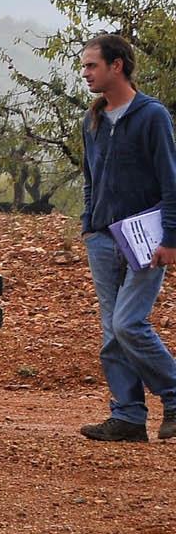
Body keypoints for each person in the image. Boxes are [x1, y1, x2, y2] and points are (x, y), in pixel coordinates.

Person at [77, 32, 176, 442]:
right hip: (103, 238)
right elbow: (90, 178)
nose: (85, 73)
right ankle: (129, 416)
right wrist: (89, 223)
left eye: (91, 65)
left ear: (117, 66)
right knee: (110, 331)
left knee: (128, 323)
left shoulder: (152, 116)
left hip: (146, 240)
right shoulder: (93, 119)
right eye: (83, 66)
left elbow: (171, 182)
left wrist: (170, 238)